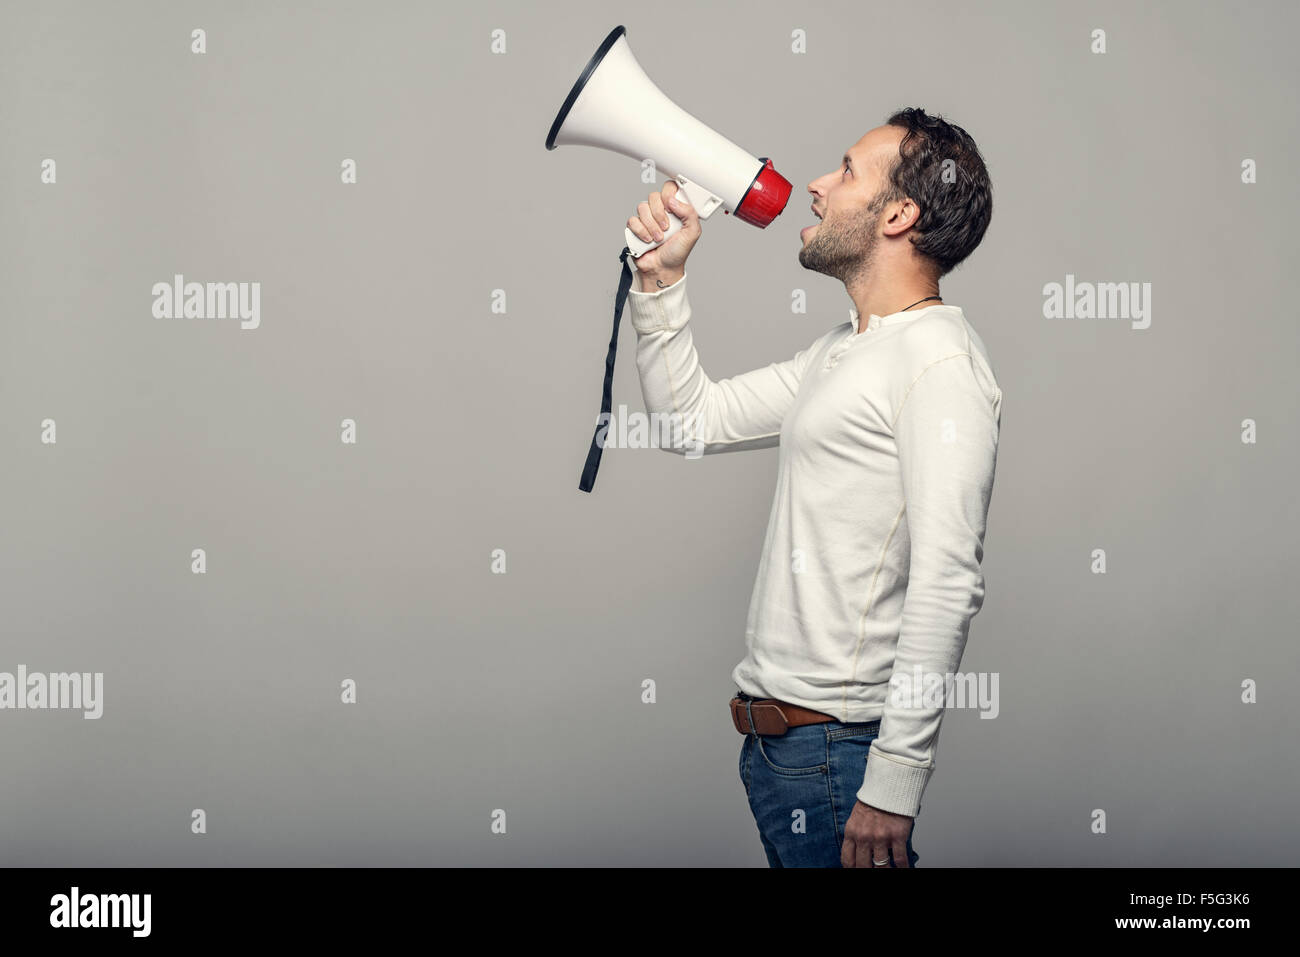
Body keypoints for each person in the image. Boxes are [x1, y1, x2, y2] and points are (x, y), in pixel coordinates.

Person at [623, 108, 1000, 868]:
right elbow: (689, 421)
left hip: (840, 754)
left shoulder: (939, 364)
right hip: (786, 754)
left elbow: (947, 579)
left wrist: (892, 784)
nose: (817, 188)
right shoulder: (843, 351)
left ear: (899, 214)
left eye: (847, 171)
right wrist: (661, 282)